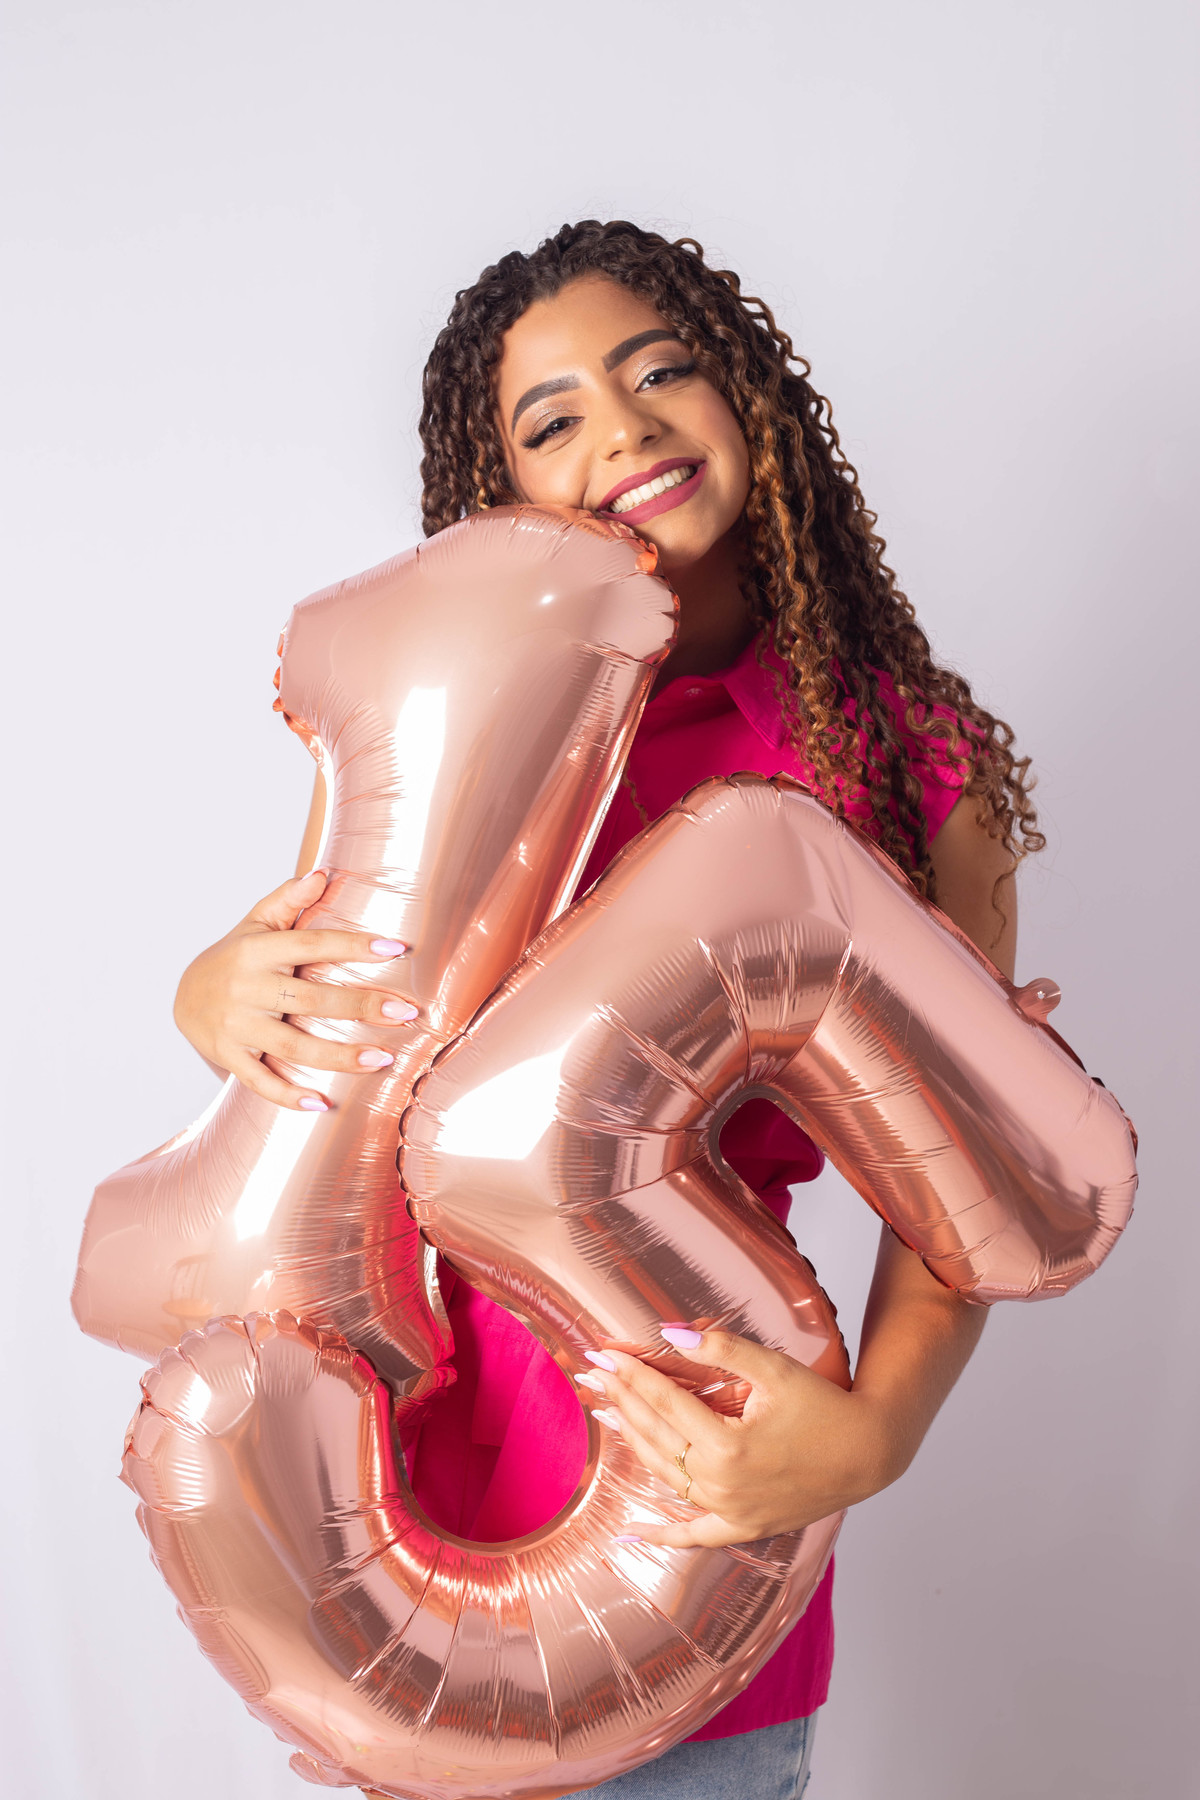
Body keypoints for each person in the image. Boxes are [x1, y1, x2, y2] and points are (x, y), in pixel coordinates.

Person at [174, 221, 1044, 1798]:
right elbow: (316, 1034)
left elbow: (962, 1188)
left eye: (662, 373)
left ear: (751, 395)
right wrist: (210, 992)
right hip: (402, 1512)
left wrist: (881, 1432)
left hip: (699, 1516)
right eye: (554, 418)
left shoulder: (915, 770)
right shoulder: (469, 739)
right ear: (503, 490)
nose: (625, 431)